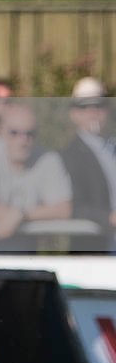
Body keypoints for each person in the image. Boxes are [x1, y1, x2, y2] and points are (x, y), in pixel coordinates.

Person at [0, 101, 71, 244]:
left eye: (30, 134)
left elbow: (63, 209)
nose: (23, 140)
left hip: (29, 250)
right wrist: (18, 215)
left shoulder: (49, 158)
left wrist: (22, 215)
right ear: (2, 131)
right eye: (14, 133)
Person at [60, 78, 116, 248]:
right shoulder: (69, 156)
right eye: (84, 106)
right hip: (96, 248)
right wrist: (108, 217)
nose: (93, 112)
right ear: (74, 113)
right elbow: (73, 205)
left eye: (99, 105)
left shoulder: (112, 147)